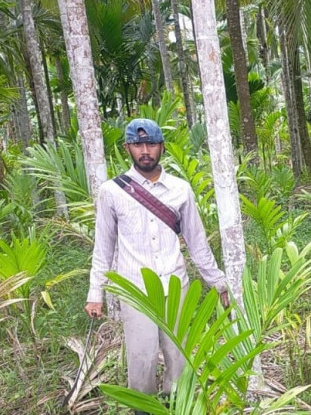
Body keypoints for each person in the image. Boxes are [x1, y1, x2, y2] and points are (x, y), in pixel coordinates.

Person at [84, 118, 229, 406]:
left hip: (176, 285)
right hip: (136, 290)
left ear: (162, 146)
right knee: (141, 359)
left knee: (179, 356)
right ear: (128, 148)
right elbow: (103, 246)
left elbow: (197, 242)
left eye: (151, 143)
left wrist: (219, 283)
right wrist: (95, 294)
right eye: (138, 145)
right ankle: (144, 410)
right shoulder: (112, 192)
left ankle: (176, 406)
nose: (145, 150)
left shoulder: (180, 189)